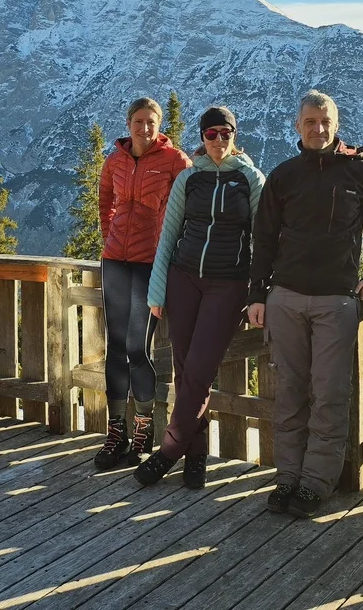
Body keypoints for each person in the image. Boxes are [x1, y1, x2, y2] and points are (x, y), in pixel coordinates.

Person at [247, 90, 363, 518]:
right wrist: (257, 294)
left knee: (330, 394)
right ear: (297, 126)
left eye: (325, 121)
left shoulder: (359, 170)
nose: (318, 128)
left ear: (336, 124)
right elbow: (263, 238)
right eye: (310, 121)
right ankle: (287, 477)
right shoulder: (284, 176)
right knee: (289, 393)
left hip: (336, 300)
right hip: (285, 298)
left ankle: (315, 483)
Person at [133, 106, 265, 488]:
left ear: (234, 136)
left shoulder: (251, 179)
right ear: (203, 137)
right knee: (185, 372)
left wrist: (259, 291)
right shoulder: (189, 178)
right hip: (183, 281)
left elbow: (264, 241)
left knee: (199, 370)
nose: (219, 140)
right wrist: (157, 289)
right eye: (211, 134)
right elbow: (168, 236)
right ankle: (196, 457)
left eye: (226, 133)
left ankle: (168, 451)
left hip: (228, 285)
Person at [93, 96, 191, 471]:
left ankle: (143, 433)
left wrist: (170, 252)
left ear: (159, 124)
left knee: (138, 347)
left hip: (151, 264)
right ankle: (115, 433)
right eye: (139, 121)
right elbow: (105, 201)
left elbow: (186, 208)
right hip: (115, 262)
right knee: (115, 348)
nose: (145, 128)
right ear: (128, 123)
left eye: (151, 121)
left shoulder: (174, 160)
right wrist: (109, 237)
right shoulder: (115, 160)